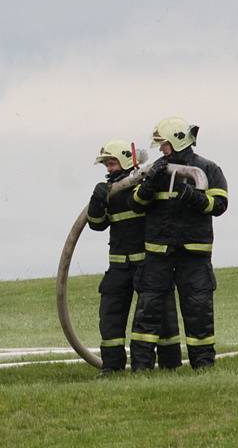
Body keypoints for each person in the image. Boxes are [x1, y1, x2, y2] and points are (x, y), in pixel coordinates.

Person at [129, 117, 228, 371]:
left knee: (198, 309)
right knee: (148, 310)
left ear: (177, 140)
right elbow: (135, 204)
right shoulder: (156, 171)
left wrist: (197, 199)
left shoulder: (208, 169)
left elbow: (220, 205)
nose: (160, 149)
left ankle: (203, 366)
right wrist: (148, 186)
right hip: (158, 254)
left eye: (163, 144)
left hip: (194, 254)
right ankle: (141, 367)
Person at [87, 140, 180, 375]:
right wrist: (97, 203)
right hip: (118, 266)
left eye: (111, 162)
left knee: (158, 315)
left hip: (147, 263)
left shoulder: (144, 185)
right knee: (110, 316)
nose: (108, 169)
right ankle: (112, 366)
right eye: (106, 164)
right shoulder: (108, 191)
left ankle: (169, 364)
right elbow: (97, 225)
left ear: (128, 159)